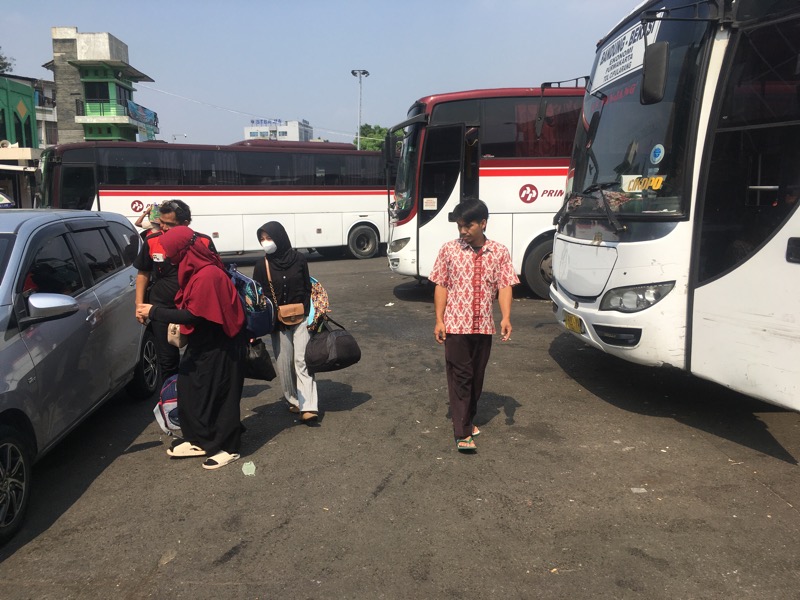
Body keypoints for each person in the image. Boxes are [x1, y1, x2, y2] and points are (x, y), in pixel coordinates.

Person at [136, 225, 247, 470]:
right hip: (204, 343)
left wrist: (154, 311)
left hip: (223, 345)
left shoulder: (207, 274)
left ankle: (229, 447)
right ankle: (200, 440)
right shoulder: (194, 269)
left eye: (170, 251)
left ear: (182, 250)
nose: (167, 257)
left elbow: (195, 315)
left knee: (220, 396)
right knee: (189, 388)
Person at [429, 198, 519, 452]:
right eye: (459, 226)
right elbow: (441, 285)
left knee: (476, 377)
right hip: (456, 325)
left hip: (483, 327)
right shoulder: (449, 250)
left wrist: (506, 317)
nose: (463, 232)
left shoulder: (498, 252)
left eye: (467, 226)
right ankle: (462, 431)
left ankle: (467, 417)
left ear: (483, 223)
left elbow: (504, 286)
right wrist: (439, 319)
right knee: (461, 377)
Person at [133, 200, 217, 382]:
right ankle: (171, 401)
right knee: (168, 361)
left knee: (199, 358)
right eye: (162, 222)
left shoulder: (203, 241)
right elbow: (143, 274)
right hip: (161, 309)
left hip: (193, 311)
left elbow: (215, 275)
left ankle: (196, 395)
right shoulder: (152, 241)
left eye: (170, 224)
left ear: (186, 224)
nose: (164, 228)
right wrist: (139, 305)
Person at [251, 221, 319, 424]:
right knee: (284, 363)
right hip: (277, 322)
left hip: (301, 318)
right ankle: (293, 399)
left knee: (302, 360)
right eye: (262, 239)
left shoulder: (299, 259)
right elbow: (258, 296)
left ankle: (308, 406)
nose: (266, 242)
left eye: (269, 238)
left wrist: (307, 313)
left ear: (280, 237)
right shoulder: (261, 265)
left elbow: (308, 286)